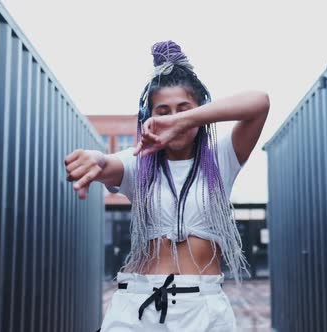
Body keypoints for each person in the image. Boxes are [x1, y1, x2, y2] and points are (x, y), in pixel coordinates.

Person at [64, 40, 269, 331]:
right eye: (163, 111)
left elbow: (259, 102)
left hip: (203, 309)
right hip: (138, 304)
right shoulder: (139, 162)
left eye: (183, 108)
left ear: (201, 113)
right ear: (149, 117)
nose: (172, 117)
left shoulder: (223, 158)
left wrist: (181, 120)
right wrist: (94, 158)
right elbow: (106, 163)